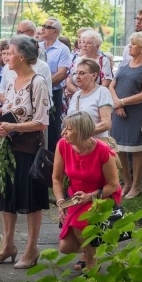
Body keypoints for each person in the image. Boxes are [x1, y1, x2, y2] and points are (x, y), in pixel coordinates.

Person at [0, 35, 50, 269]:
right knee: (8, 197)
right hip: (8, 148)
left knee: (30, 199)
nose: (6, 56)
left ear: (22, 56)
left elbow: (42, 122)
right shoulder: (11, 80)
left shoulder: (38, 82)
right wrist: (1, 126)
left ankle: (31, 249)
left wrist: (12, 127)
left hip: (28, 149)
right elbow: (9, 112)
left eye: (10, 52)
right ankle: (8, 246)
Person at [52, 112, 120, 272]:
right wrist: (60, 201)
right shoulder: (63, 145)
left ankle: (91, 262)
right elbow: (56, 178)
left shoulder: (103, 150)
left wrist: (90, 196)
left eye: (69, 129)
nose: (63, 132)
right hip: (76, 197)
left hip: (102, 195)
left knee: (79, 222)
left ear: (82, 132)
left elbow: (113, 185)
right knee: (65, 247)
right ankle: (91, 248)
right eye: (64, 128)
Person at [109, 32, 142, 199]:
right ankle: (126, 183)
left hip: (136, 112)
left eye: (133, 44)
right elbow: (112, 86)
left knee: (137, 150)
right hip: (119, 112)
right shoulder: (124, 63)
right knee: (119, 149)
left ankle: (136, 186)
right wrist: (117, 103)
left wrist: (122, 102)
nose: (130, 47)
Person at [39, 17, 72, 150]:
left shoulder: (63, 49)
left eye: (47, 27)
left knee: (53, 128)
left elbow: (61, 73)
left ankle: (53, 157)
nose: (43, 28)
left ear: (56, 31)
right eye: (43, 25)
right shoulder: (37, 46)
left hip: (53, 93)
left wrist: (42, 85)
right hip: (35, 93)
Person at [66, 58, 114, 138]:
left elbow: (106, 124)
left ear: (94, 75)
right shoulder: (76, 95)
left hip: (95, 142)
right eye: (76, 73)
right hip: (75, 143)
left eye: (82, 73)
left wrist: (80, 134)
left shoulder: (102, 92)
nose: (77, 77)